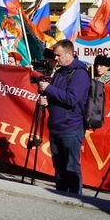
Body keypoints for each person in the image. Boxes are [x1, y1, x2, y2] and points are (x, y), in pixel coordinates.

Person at [38, 39, 90, 195]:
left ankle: (74, 200)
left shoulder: (80, 74)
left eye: (58, 55)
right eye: (55, 55)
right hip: (56, 125)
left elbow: (71, 99)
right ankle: (60, 198)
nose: (56, 58)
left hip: (71, 127)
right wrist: (48, 101)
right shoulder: (60, 72)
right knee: (59, 168)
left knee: (71, 167)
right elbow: (59, 97)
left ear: (69, 54)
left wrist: (49, 89)